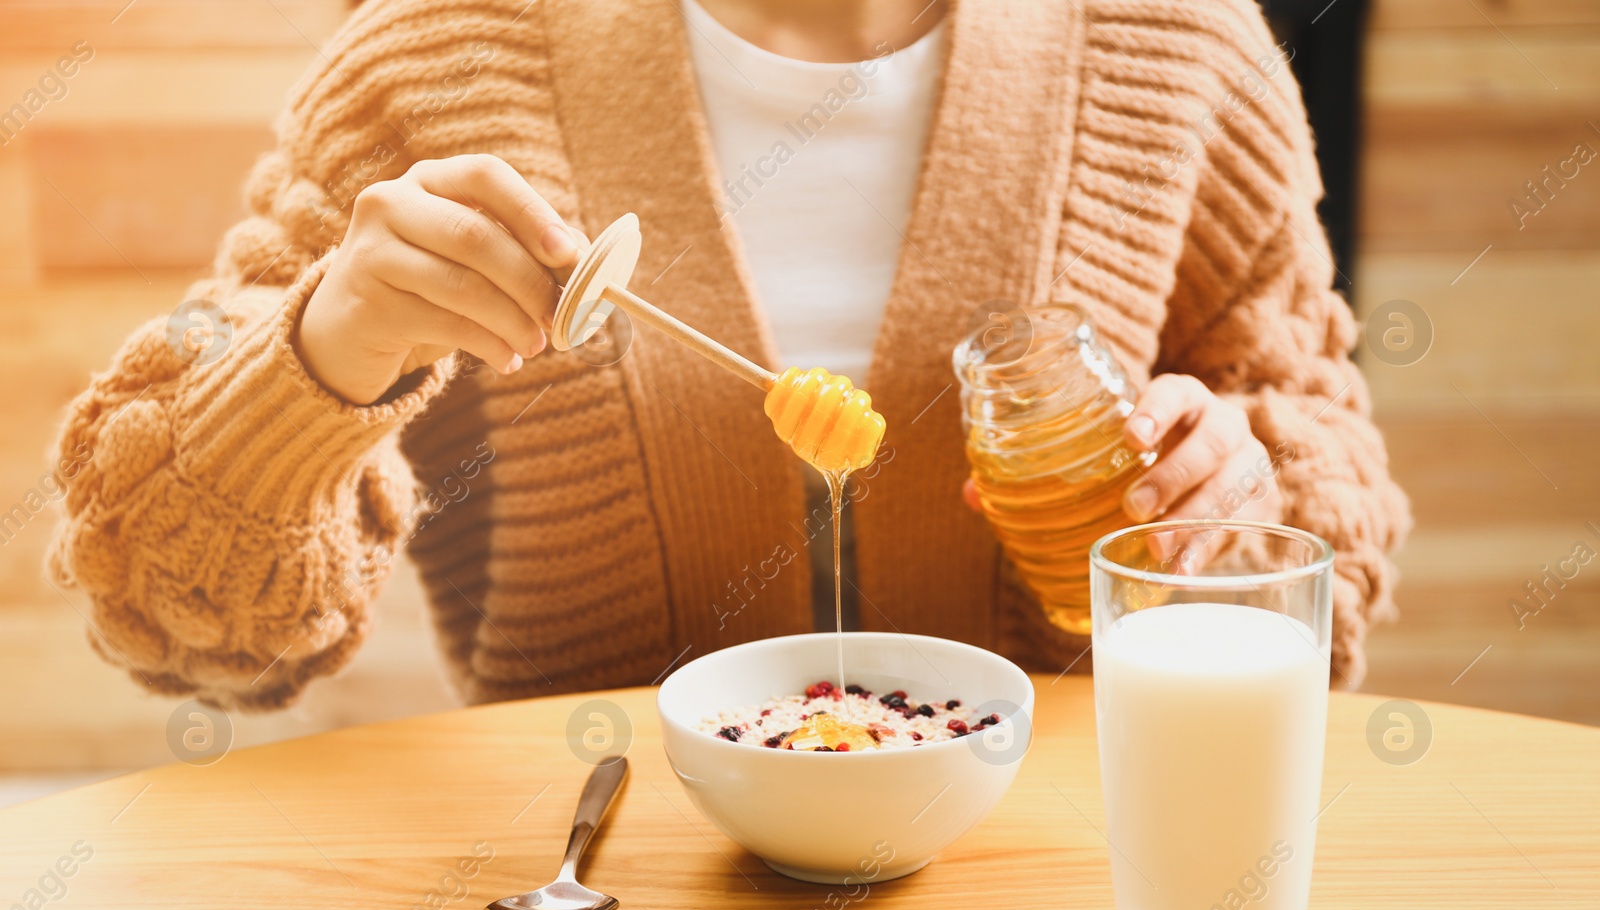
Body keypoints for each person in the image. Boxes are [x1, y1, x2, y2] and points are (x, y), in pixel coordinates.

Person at [47, 0, 1409, 710]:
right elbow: (173, 616)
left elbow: (1318, 492)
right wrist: (321, 350)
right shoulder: (434, 58)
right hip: (601, 900)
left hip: (1076, 897)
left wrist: (1248, 503)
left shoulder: (1182, 48)